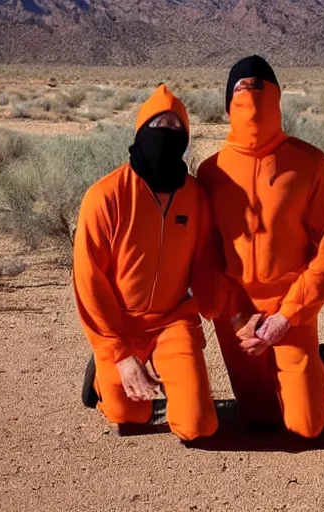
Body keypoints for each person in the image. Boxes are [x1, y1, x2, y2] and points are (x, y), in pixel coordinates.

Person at [197, 55, 324, 439]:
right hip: (236, 312)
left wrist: (287, 316)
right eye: (240, 89)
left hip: (290, 307)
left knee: (306, 426)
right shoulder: (211, 171)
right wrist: (232, 316)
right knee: (259, 419)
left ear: (277, 97)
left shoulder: (310, 164)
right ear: (227, 102)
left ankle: (315, 363)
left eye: (259, 86)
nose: (250, 97)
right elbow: (205, 254)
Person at [74, 84, 233, 441]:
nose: (167, 135)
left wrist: (221, 306)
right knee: (129, 416)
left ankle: (170, 377)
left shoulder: (195, 197)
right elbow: (90, 281)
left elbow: (206, 262)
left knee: (198, 427)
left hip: (172, 319)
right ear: (141, 132)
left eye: (176, 129)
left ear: (187, 139)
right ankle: (102, 376)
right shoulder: (106, 196)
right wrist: (117, 351)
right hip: (120, 324)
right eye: (159, 126)